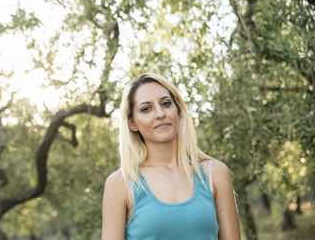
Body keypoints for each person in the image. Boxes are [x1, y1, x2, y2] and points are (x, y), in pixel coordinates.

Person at [101, 73, 241, 240]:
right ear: (132, 123)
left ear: (179, 111)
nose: (160, 113)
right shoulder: (120, 184)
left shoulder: (215, 174)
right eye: (146, 108)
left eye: (166, 104)